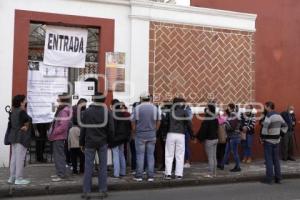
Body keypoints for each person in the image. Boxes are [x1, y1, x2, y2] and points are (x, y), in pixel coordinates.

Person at [80, 92, 114, 199]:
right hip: (103, 142)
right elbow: (111, 129)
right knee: (103, 167)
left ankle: (86, 191)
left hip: (89, 142)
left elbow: (83, 128)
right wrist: (110, 141)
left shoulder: (87, 112)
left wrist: (81, 142)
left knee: (88, 167)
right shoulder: (107, 112)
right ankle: (102, 190)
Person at [132, 93, 161, 182]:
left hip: (140, 134)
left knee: (140, 155)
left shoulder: (137, 108)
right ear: (149, 99)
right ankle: (150, 176)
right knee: (150, 155)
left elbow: (133, 122)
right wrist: (155, 130)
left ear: (141, 99)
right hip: (151, 134)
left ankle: (139, 176)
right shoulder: (154, 108)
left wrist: (134, 131)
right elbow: (158, 121)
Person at [164, 98, 193, 180]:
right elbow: (188, 123)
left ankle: (168, 174)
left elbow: (165, 123)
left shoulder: (169, 112)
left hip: (170, 133)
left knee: (169, 154)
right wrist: (192, 134)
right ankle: (179, 174)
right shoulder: (184, 112)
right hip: (181, 134)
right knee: (180, 155)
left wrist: (164, 134)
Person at [260, 101, 288, 184]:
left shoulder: (269, 116)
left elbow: (265, 129)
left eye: (265, 106)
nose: (265, 108)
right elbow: (285, 126)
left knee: (269, 160)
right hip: (277, 141)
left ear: (268, 107)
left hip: (268, 141)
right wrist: (280, 135)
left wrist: (262, 138)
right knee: (276, 160)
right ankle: (278, 178)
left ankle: (269, 179)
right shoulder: (279, 115)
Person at [8, 95, 32, 185]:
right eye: (25, 100)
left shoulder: (13, 111)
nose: (26, 101)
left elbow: (11, 123)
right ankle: (19, 178)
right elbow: (26, 126)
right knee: (20, 158)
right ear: (21, 102)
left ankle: (12, 177)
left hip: (13, 137)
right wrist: (26, 126)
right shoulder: (22, 112)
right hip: (21, 137)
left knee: (14, 158)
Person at [48, 93, 72, 182]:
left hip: (58, 136)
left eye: (59, 99)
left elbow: (63, 126)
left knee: (59, 156)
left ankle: (61, 174)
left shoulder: (64, 111)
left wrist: (54, 133)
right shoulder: (62, 109)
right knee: (58, 155)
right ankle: (60, 173)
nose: (57, 100)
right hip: (57, 136)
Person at [110, 100, 131, 178]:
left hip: (115, 138)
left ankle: (116, 173)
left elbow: (112, 128)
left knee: (115, 155)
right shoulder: (123, 114)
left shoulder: (112, 115)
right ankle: (123, 171)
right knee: (121, 154)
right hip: (122, 137)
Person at [197, 104, 219, 177]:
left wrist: (198, 137)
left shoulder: (207, 119)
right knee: (214, 157)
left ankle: (210, 173)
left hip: (209, 140)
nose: (205, 110)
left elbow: (203, 130)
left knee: (210, 157)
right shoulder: (215, 118)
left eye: (207, 109)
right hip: (215, 138)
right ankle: (215, 173)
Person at [220, 103, 241, 172]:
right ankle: (222, 165)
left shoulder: (233, 115)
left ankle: (238, 167)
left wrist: (225, 123)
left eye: (228, 107)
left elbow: (231, 127)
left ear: (230, 107)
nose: (227, 108)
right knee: (227, 151)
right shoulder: (233, 114)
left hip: (234, 136)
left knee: (234, 152)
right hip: (231, 136)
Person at [156, 101, 171, 171]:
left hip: (165, 135)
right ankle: (170, 166)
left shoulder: (165, 115)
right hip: (169, 135)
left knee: (165, 151)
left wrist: (158, 135)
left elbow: (162, 126)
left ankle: (165, 166)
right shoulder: (172, 114)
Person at [184, 104, 193, 168]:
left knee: (185, 147)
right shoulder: (188, 110)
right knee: (186, 147)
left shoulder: (187, 110)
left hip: (185, 131)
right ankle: (187, 161)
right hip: (186, 131)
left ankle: (187, 161)